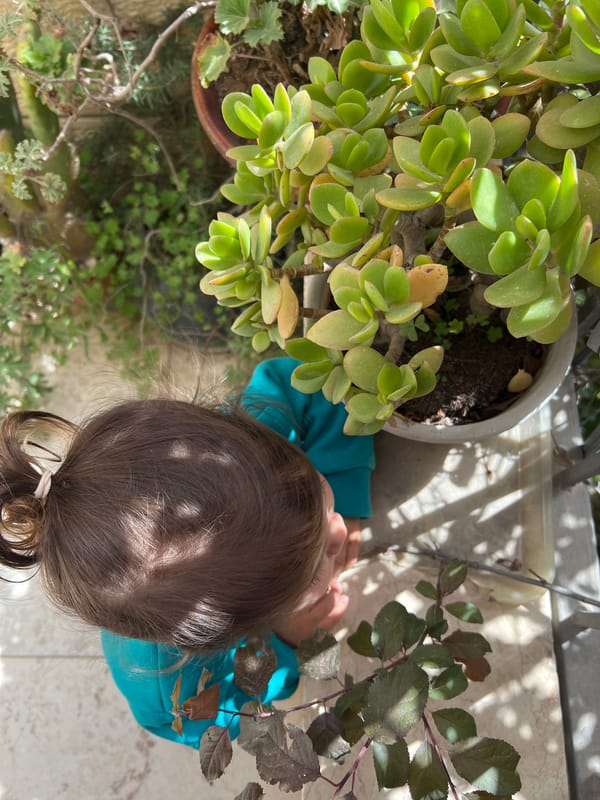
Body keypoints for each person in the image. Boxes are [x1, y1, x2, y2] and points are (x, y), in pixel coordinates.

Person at [0, 357, 374, 748]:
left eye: (314, 485)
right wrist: (283, 647)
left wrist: (346, 489)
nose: (337, 529)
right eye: (313, 571)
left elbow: (308, 381)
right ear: (225, 637)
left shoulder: (246, 454)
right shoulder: (170, 690)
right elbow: (219, 720)